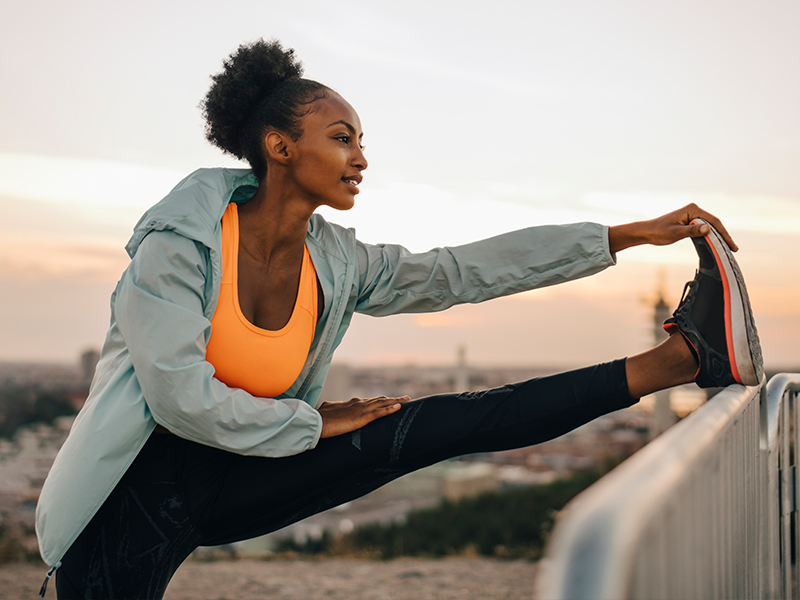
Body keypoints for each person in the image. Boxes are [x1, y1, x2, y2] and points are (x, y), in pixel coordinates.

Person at [35, 39, 762, 599]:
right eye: (342, 138)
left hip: (238, 472)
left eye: (360, 142)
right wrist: (317, 423)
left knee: (429, 426)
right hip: (123, 503)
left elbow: (460, 270)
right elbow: (177, 398)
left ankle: (681, 361)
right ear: (279, 148)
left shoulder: (338, 264)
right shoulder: (177, 247)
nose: (361, 159)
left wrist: (626, 235)